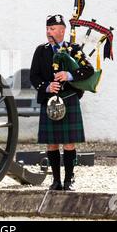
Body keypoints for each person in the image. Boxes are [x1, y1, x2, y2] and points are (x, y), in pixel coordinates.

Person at [30, 14, 94, 191]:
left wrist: (69, 75)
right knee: (52, 143)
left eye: (52, 29)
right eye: (47, 29)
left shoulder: (73, 49)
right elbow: (33, 76)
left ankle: (69, 180)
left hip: (69, 99)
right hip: (50, 100)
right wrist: (47, 86)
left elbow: (89, 70)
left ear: (62, 30)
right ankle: (56, 180)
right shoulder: (41, 51)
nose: (48, 32)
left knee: (69, 143)